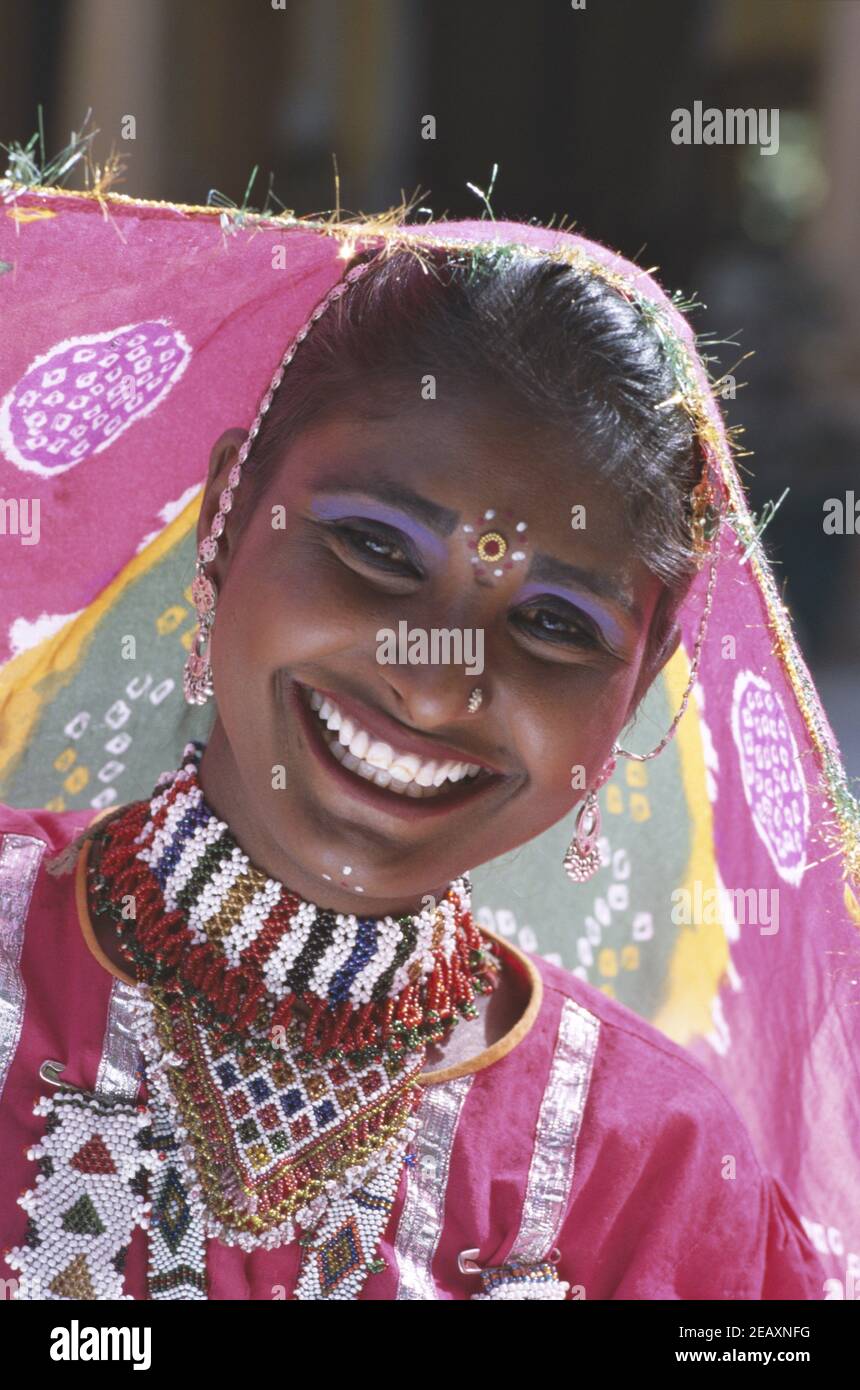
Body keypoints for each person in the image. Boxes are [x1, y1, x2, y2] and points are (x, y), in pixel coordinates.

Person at [0, 210, 831, 1300]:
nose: (435, 683)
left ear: (634, 685)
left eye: (554, 626)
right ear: (228, 512)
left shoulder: (653, 1171)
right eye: (377, 547)